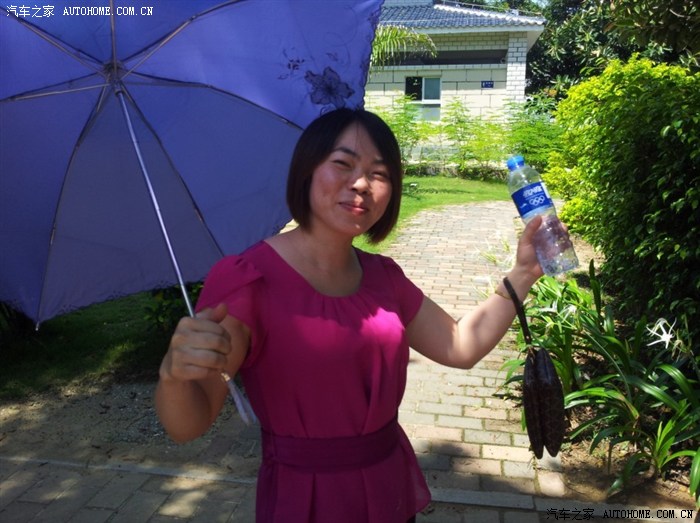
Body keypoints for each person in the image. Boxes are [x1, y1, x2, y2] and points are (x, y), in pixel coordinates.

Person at [155, 108, 544, 522]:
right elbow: (188, 425)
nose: (361, 184)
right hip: (307, 501)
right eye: (342, 163)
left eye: (379, 173)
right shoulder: (247, 280)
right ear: (306, 171)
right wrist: (174, 376)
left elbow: (459, 345)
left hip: (389, 491)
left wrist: (523, 274)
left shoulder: (384, 277)